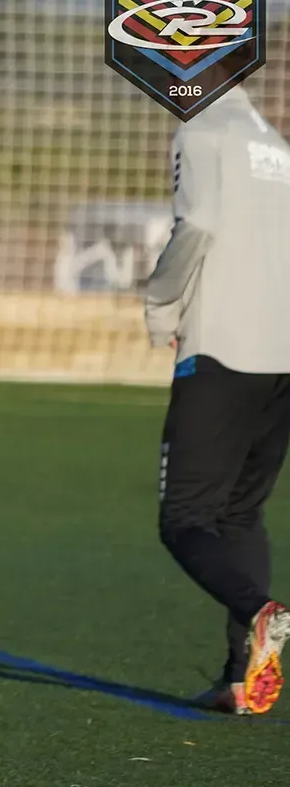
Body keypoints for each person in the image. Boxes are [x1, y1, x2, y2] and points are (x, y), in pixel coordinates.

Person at [144, 84, 290, 716]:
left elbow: (196, 223)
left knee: (185, 520)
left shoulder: (202, 130)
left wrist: (160, 307)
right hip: (283, 356)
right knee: (240, 514)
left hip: (223, 349)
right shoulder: (276, 146)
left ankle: (264, 611)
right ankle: (240, 678)